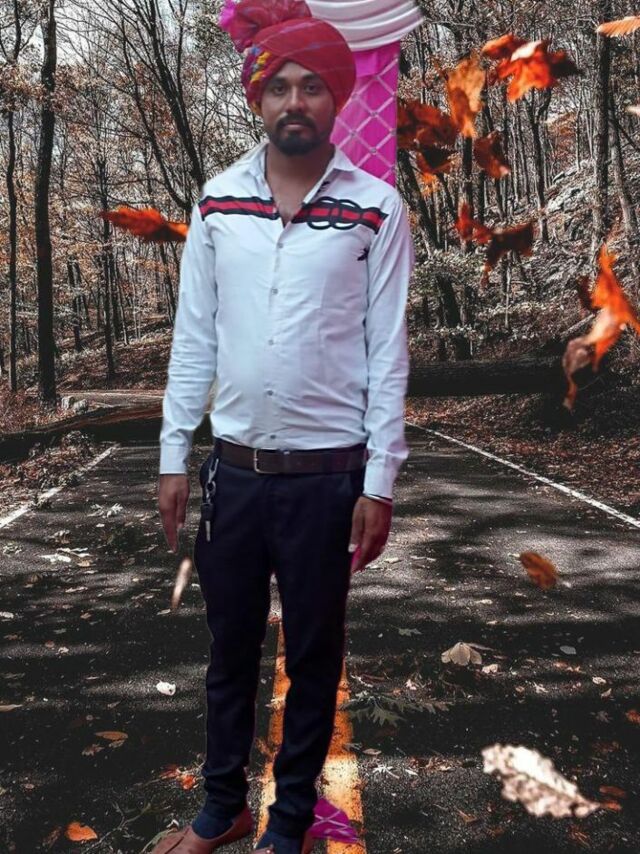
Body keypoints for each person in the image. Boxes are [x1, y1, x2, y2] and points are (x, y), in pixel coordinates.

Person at [155, 1, 414, 851]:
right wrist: (172, 458)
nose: (294, 101)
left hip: (328, 481)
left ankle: (290, 819)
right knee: (228, 652)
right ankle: (222, 807)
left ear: (337, 97)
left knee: (313, 657)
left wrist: (380, 481)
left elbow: (387, 352)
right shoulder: (218, 202)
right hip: (234, 475)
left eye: (311, 86)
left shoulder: (376, 208)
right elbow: (194, 337)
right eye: (279, 87)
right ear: (257, 99)